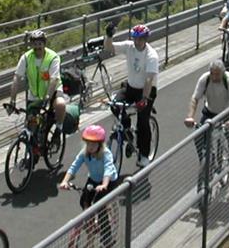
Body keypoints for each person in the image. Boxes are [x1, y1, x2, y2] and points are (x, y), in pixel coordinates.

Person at [104, 23, 158, 167]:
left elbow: (148, 80)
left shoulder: (151, 55)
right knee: (115, 106)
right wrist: (109, 36)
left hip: (146, 90)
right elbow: (109, 47)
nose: (137, 42)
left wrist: (144, 99)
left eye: (140, 39)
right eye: (135, 38)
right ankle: (128, 131)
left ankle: (144, 154)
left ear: (145, 39)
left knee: (143, 121)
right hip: (130, 87)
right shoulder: (129, 47)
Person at [59, 125, 118, 247]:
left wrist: (104, 184)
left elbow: (108, 169)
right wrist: (65, 181)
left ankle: (107, 239)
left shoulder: (106, 154)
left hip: (108, 181)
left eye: (93, 144)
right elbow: (74, 166)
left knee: (100, 209)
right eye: (88, 144)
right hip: (93, 179)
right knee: (84, 201)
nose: (90, 147)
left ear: (100, 144)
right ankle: (91, 223)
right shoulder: (84, 153)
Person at [8, 30, 68, 130]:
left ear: (44, 44)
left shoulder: (53, 57)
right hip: (35, 95)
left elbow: (54, 79)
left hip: (53, 92)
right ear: (31, 45)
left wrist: (48, 98)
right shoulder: (26, 58)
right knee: (31, 127)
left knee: (60, 104)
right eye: (34, 44)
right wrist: (12, 100)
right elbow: (16, 78)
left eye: (40, 44)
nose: (37, 47)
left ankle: (59, 128)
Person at [185, 60, 229, 165]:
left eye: (217, 74)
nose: (214, 77)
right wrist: (190, 116)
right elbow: (195, 99)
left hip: (226, 111)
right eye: (212, 74)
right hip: (210, 111)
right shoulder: (204, 79)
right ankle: (204, 160)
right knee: (199, 136)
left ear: (223, 72)